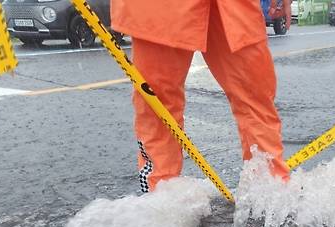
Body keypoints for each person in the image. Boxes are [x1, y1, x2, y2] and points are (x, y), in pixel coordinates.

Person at [111, 0, 292, 192]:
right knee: (158, 104)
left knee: (255, 97)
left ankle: (271, 193)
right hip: (160, 8)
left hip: (232, 8)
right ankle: (160, 197)